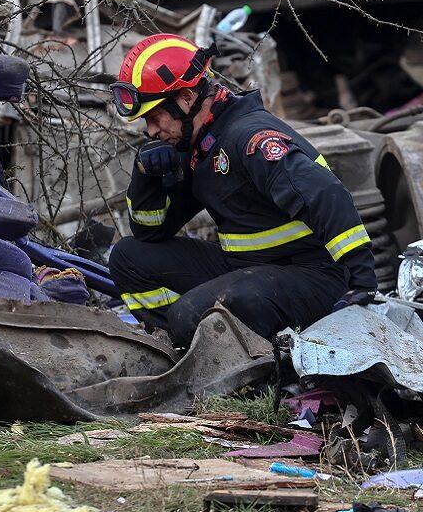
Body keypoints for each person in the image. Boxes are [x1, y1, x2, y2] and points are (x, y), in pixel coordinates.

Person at [108, 33, 377, 348]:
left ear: (186, 98)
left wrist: (361, 282)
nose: (151, 130)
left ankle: (248, 356)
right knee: (128, 258)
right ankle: (185, 347)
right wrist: (146, 176)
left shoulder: (250, 138)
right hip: (247, 267)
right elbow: (150, 232)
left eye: (155, 117)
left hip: (312, 274)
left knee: (190, 315)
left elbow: (327, 194)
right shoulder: (199, 145)